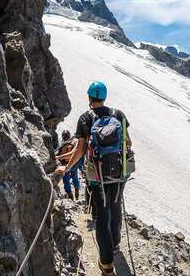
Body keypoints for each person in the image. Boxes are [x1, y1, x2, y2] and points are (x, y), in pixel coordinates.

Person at [57, 81, 131, 276]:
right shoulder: (119, 115)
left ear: (90, 97)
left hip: (96, 176)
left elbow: (80, 150)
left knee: (102, 215)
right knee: (116, 207)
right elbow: (128, 142)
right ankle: (115, 246)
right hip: (118, 173)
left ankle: (106, 264)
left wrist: (67, 168)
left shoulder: (86, 118)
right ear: (104, 97)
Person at [56, 130, 84, 200]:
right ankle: (75, 192)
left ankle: (71, 195)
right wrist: (81, 168)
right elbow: (78, 155)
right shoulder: (73, 142)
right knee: (74, 178)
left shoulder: (63, 144)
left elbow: (60, 154)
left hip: (67, 165)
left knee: (67, 181)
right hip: (73, 164)